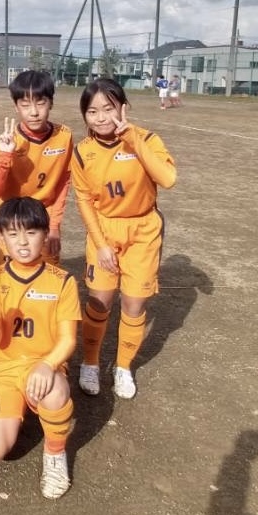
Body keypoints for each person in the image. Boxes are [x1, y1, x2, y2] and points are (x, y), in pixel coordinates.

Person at [71, 79, 177, 399]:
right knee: (99, 302)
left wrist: (132, 138)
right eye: (92, 111)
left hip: (143, 231)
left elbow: (168, 178)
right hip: (104, 230)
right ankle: (90, 363)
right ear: (85, 115)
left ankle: (123, 367)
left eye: (108, 108)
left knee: (133, 303)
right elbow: (83, 200)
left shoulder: (147, 139)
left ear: (123, 107)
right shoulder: (83, 152)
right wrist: (101, 245)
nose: (101, 117)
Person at [0, 197, 80, 499]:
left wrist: (47, 364)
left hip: (43, 364)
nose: (22, 242)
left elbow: (68, 340)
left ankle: (55, 453)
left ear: (45, 235)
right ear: (1, 238)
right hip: (2, 368)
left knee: (55, 390)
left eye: (31, 233)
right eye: (13, 234)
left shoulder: (63, 281)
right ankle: (16, 408)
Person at [0, 70, 73, 266]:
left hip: (44, 219)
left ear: (51, 103)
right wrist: (5, 157)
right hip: (11, 219)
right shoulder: (7, 142)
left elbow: (63, 183)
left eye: (40, 103)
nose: (33, 112)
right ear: (16, 107)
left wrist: (54, 226)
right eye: (25, 105)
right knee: (10, 278)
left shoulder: (64, 136)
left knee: (46, 278)